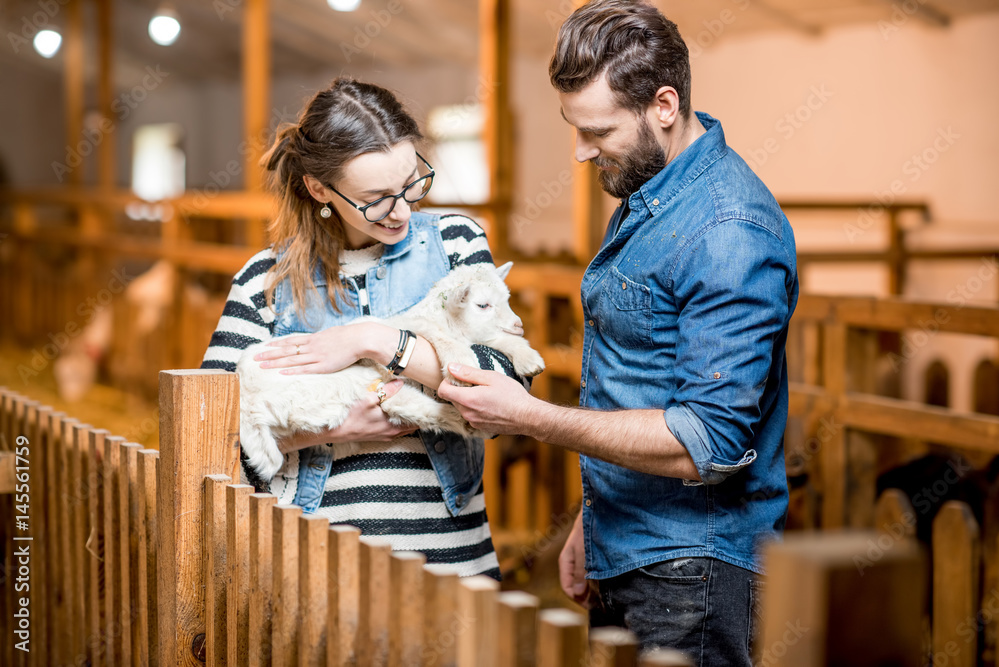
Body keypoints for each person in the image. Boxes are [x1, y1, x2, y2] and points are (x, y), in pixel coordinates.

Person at [437, 0, 799, 663]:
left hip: (694, 570)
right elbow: (643, 379)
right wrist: (595, 516)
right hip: (633, 541)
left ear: (664, 105)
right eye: (574, 128)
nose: (579, 152)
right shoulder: (653, 186)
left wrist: (531, 416)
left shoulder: (728, 230)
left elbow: (707, 442)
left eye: (597, 131)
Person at [201, 78, 531, 580]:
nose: (401, 209)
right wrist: (333, 428)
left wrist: (374, 340)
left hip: (450, 562)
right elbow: (206, 442)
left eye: (409, 183)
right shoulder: (265, 282)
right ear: (319, 189)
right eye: (376, 197)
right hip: (317, 571)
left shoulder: (455, 245)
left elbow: (511, 388)